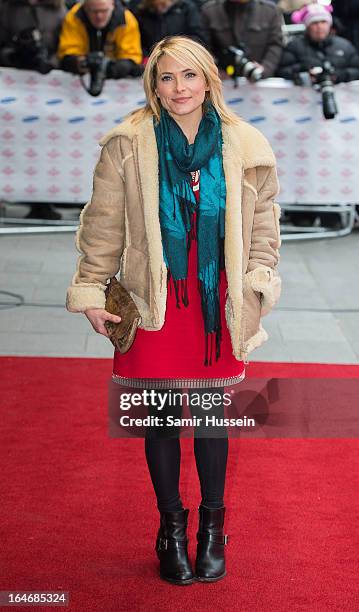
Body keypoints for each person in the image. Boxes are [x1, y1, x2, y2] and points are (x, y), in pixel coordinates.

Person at [66, 35, 281, 585]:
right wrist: (91, 286)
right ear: (152, 84)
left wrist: (258, 279)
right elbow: (102, 223)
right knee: (159, 419)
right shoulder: (127, 142)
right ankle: (170, 529)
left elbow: (264, 225)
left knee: (211, 419)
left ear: (210, 79)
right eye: (166, 78)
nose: (178, 88)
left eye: (189, 76)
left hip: (217, 304)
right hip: (151, 296)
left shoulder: (245, 144)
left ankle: (213, 528)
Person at [277, 2, 359, 228]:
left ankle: (332, 212)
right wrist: (302, 75)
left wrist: (337, 76)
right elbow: (281, 70)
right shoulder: (295, 47)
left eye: (323, 22)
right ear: (307, 26)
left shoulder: (344, 46)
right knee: (302, 160)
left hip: (338, 124)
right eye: (315, 23)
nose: (320, 27)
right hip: (301, 123)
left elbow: (356, 69)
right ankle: (301, 213)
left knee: (337, 160)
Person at [0, 0, 66, 220]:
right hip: (12, 82)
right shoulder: (7, 7)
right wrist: (13, 55)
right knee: (8, 141)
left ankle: (42, 201)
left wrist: (52, 62)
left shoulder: (57, 8)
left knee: (44, 142)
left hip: (48, 84)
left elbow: (66, 43)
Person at [57, 0, 143, 78]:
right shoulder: (74, 17)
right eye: (94, 11)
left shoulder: (126, 20)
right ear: (85, 7)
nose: (99, 16)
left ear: (112, 5)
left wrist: (115, 68)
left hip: (116, 78)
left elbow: (132, 55)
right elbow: (67, 52)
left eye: (104, 11)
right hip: (82, 77)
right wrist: (81, 62)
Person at [201, 0, 284, 79]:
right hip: (222, 82)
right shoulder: (210, 11)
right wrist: (215, 71)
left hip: (259, 83)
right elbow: (203, 48)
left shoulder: (270, 11)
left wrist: (265, 68)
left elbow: (275, 44)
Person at [129, 0, 208, 57]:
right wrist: (145, 56)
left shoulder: (187, 8)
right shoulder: (141, 12)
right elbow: (138, 40)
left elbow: (198, 37)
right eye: (155, 6)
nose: (159, 9)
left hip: (183, 55)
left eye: (163, 5)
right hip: (152, 58)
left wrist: (181, 52)